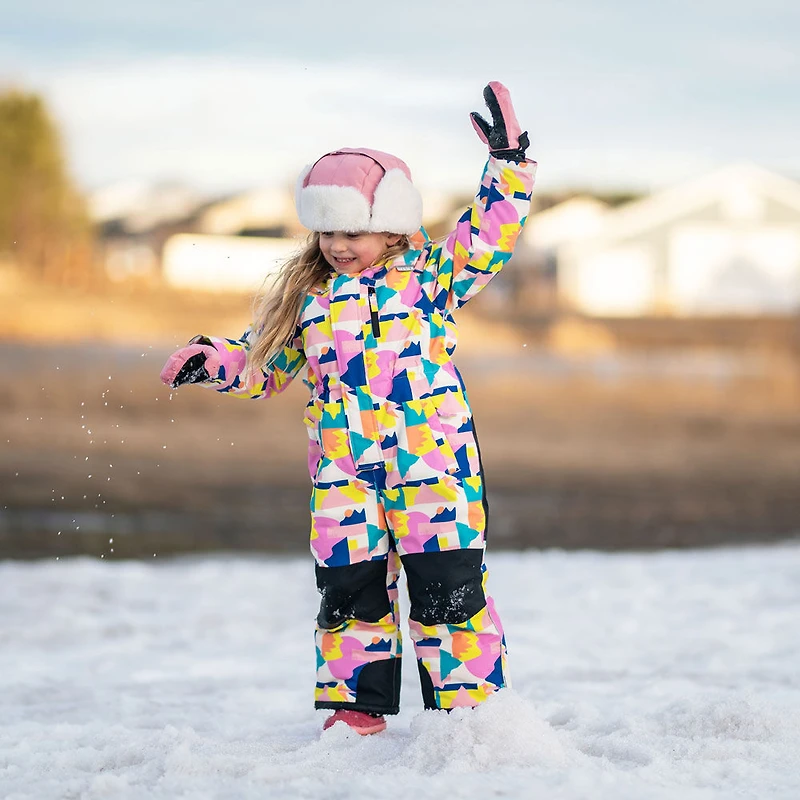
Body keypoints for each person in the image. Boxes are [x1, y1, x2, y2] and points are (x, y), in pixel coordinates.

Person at [160, 81, 536, 735]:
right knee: (348, 589)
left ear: (391, 225)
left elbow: (488, 236)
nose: (339, 243)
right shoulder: (312, 298)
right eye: (328, 229)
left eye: (355, 231)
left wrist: (507, 163)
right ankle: (356, 709)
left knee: (448, 586)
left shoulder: (430, 277)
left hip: (432, 465)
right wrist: (215, 363)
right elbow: (267, 364)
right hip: (343, 471)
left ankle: (473, 716)